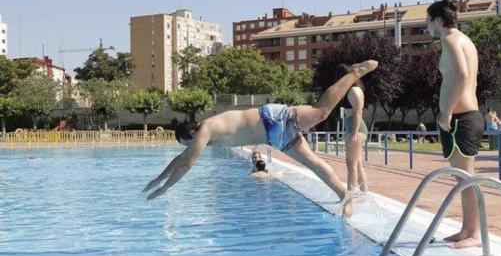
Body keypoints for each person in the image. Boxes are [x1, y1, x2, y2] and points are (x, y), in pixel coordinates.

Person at [141, 59, 379, 218]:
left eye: (189, 144)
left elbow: (186, 164)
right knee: (313, 163)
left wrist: (165, 189)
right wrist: (158, 179)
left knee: (321, 112)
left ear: (191, 134)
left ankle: (354, 73)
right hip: (274, 137)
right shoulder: (199, 137)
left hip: (272, 118)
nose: (191, 148)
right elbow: (180, 159)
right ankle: (345, 197)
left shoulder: (205, 130)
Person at [427, 0, 485, 248]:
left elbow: (461, 75)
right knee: (462, 177)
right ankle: (466, 229)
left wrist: (447, 111)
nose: (427, 26)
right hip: (466, 116)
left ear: (438, 20)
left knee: (466, 177)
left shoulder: (450, 39)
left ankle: (474, 234)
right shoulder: (465, 40)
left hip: (461, 118)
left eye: (428, 21)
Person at [337, 64, 369, 195]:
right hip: (352, 127)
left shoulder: (354, 91)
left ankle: (349, 196)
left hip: (356, 128)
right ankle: (364, 194)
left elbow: (358, 112)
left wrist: (354, 133)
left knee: (351, 164)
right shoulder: (352, 89)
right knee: (357, 164)